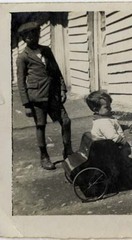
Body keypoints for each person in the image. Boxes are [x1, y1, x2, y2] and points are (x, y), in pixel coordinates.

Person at [16, 21, 73, 170]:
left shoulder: (46, 50)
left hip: (53, 95)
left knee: (66, 121)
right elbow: (21, 82)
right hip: (37, 97)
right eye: (28, 35)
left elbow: (56, 71)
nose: (33, 37)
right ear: (24, 38)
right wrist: (26, 105)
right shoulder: (23, 57)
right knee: (40, 126)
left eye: (35, 33)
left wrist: (62, 90)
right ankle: (44, 156)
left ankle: (68, 150)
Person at [85, 90, 132, 159]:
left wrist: (127, 126)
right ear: (96, 110)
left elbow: (114, 127)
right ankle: (131, 163)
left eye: (110, 106)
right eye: (107, 107)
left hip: (110, 146)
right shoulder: (104, 122)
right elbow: (113, 137)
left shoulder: (103, 118)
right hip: (112, 149)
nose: (110, 108)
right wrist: (126, 143)